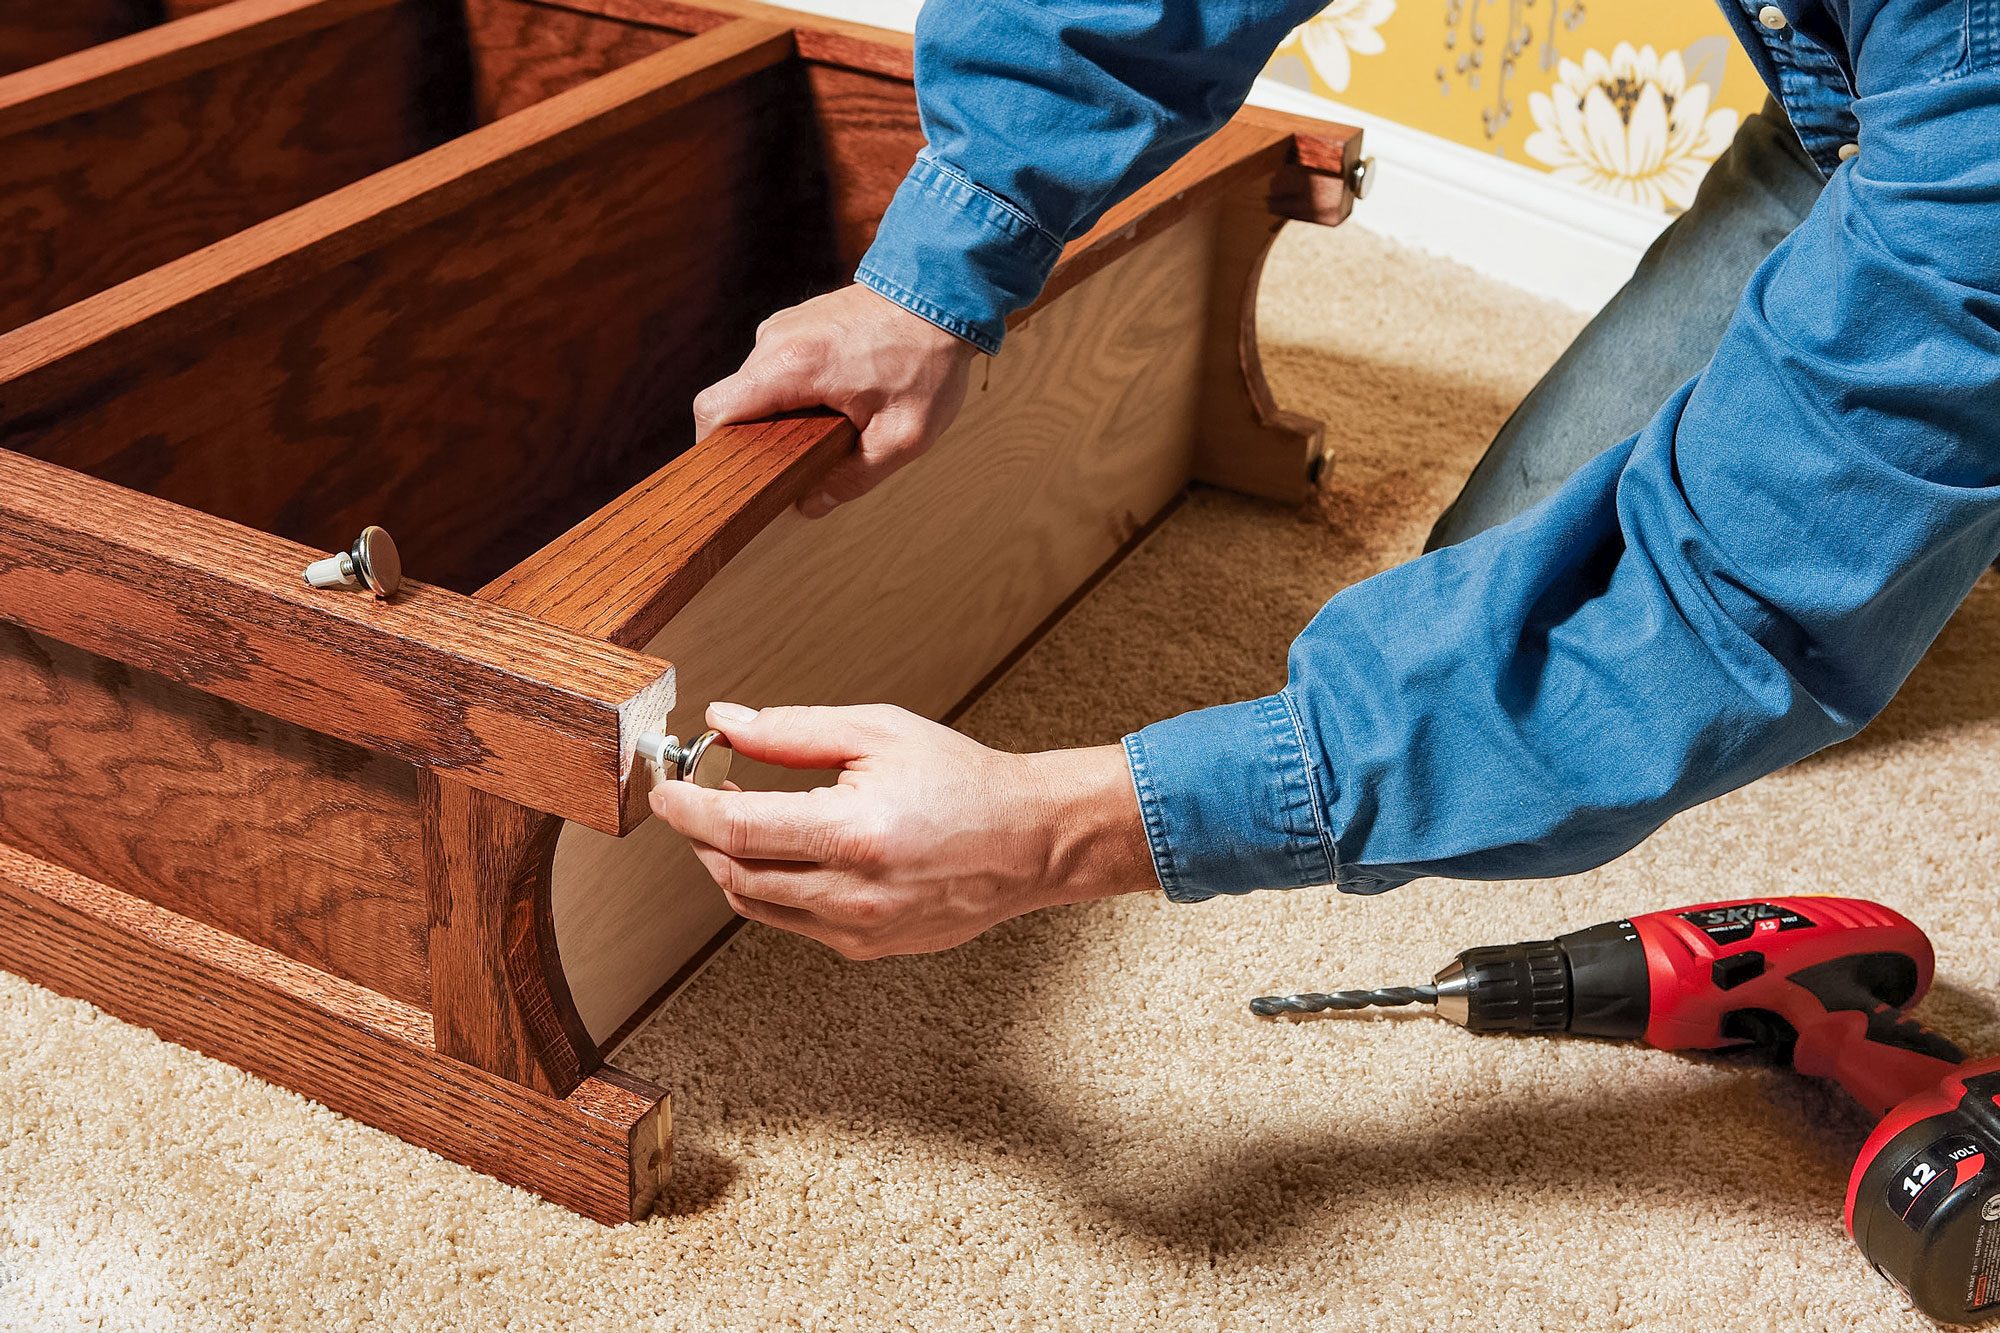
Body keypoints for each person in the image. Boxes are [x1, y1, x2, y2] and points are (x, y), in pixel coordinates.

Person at [652, 0, 2000, 962]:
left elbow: (1732, 605)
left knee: (1628, 631)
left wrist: (1071, 831)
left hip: (1957, 152)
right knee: (1501, 571)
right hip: (1858, 114)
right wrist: (940, 258)